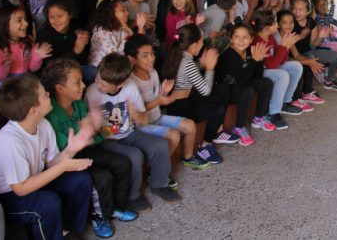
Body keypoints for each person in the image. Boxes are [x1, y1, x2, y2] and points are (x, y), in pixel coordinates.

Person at [0, 75, 93, 240]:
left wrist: (71, 149)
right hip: (3, 196)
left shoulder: (43, 124)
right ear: (33, 110)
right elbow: (21, 188)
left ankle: (66, 231)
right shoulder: (10, 142)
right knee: (47, 203)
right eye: (45, 94)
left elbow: (51, 162)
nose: (49, 94)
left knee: (81, 180)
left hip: (28, 182)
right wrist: (63, 167)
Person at [43, 58, 138, 237]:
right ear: (60, 88)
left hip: (84, 150)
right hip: (65, 159)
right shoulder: (51, 114)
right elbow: (62, 148)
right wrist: (84, 131)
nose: (83, 85)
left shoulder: (78, 103)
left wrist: (94, 126)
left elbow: (94, 137)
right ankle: (98, 216)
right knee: (102, 177)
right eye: (77, 82)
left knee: (122, 162)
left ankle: (115, 207)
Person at [86, 53, 182, 204]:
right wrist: (94, 121)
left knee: (161, 145)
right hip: (105, 139)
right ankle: (132, 196)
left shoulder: (130, 87)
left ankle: (160, 185)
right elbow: (90, 129)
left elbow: (144, 120)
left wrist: (137, 115)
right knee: (134, 155)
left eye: (103, 84)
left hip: (129, 133)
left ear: (120, 84)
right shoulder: (91, 92)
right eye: (97, 79)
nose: (98, 85)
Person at [126, 34, 210, 170]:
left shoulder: (153, 72)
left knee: (189, 125)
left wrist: (164, 93)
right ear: (132, 59)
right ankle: (157, 170)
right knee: (173, 136)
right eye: (145, 56)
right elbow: (135, 113)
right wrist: (160, 100)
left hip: (156, 117)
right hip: (141, 125)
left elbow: (158, 98)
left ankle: (188, 158)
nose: (151, 58)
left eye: (152, 54)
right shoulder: (130, 81)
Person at [162, 24, 237, 164]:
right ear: (194, 44)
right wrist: (209, 68)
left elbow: (189, 74)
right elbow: (205, 91)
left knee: (223, 89)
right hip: (180, 108)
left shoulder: (181, 55)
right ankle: (205, 146)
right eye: (201, 42)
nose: (202, 45)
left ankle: (218, 131)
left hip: (183, 100)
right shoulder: (187, 62)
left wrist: (201, 64)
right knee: (218, 110)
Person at [216, 23, 275, 137]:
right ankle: (239, 127)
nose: (241, 41)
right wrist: (254, 60)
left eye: (245, 37)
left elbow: (257, 76)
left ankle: (258, 118)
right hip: (227, 92)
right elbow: (240, 81)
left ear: (251, 39)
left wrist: (259, 60)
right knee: (247, 90)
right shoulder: (229, 55)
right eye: (236, 37)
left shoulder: (249, 51)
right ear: (231, 39)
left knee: (266, 83)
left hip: (241, 85)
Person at [251, 10, 304, 129]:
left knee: (296, 66)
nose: (277, 25)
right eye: (275, 22)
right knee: (282, 75)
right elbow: (272, 65)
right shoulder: (258, 40)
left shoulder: (270, 37)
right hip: (259, 72)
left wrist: (286, 46)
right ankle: (273, 113)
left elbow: (281, 61)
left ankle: (285, 102)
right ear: (267, 27)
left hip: (270, 67)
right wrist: (283, 46)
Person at [0, 6, 51, 88]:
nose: (26, 23)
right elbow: (0, 78)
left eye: (25, 19)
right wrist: (6, 66)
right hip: (5, 85)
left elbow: (32, 68)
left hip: (24, 81)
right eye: (19, 20)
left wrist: (38, 56)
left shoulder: (28, 41)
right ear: (4, 25)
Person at [291, 0, 337, 91]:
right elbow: (292, 51)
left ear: (307, 11)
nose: (297, 12)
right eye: (294, 9)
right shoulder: (290, 23)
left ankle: (329, 82)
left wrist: (320, 36)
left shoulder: (310, 22)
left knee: (336, 56)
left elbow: (313, 45)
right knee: (311, 59)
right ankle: (307, 90)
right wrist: (300, 37)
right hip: (295, 54)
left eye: (301, 10)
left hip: (309, 51)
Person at [36, 0, 92, 82]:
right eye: (51, 17)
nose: (56, 20)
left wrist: (84, 43)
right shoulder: (44, 35)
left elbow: (82, 61)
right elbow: (51, 69)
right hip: (52, 78)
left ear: (70, 14)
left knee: (93, 72)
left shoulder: (76, 31)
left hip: (74, 73)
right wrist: (75, 50)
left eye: (60, 16)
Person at [276, 9, 325, 106]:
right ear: (278, 24)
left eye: (291, 22)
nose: (289, 25)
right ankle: (295, 99)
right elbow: (284, 60)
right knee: (298, 67)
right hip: (276, 65)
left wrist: (311, 62)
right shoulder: (278, 38)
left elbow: (297, 55)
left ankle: (306, 92)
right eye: (285, 23)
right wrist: (307, 62)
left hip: (284, 62)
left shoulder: (288, 35)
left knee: (309, 62)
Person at [88, 0, 145, 67]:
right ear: (110, 13)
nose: (127, 13)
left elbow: (136, 47)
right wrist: (129, 35)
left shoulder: (121, 28)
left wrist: (140, 28)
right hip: (100, 69)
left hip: (116, 66)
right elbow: (116, 57)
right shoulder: (101, 32)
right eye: (123, 10)